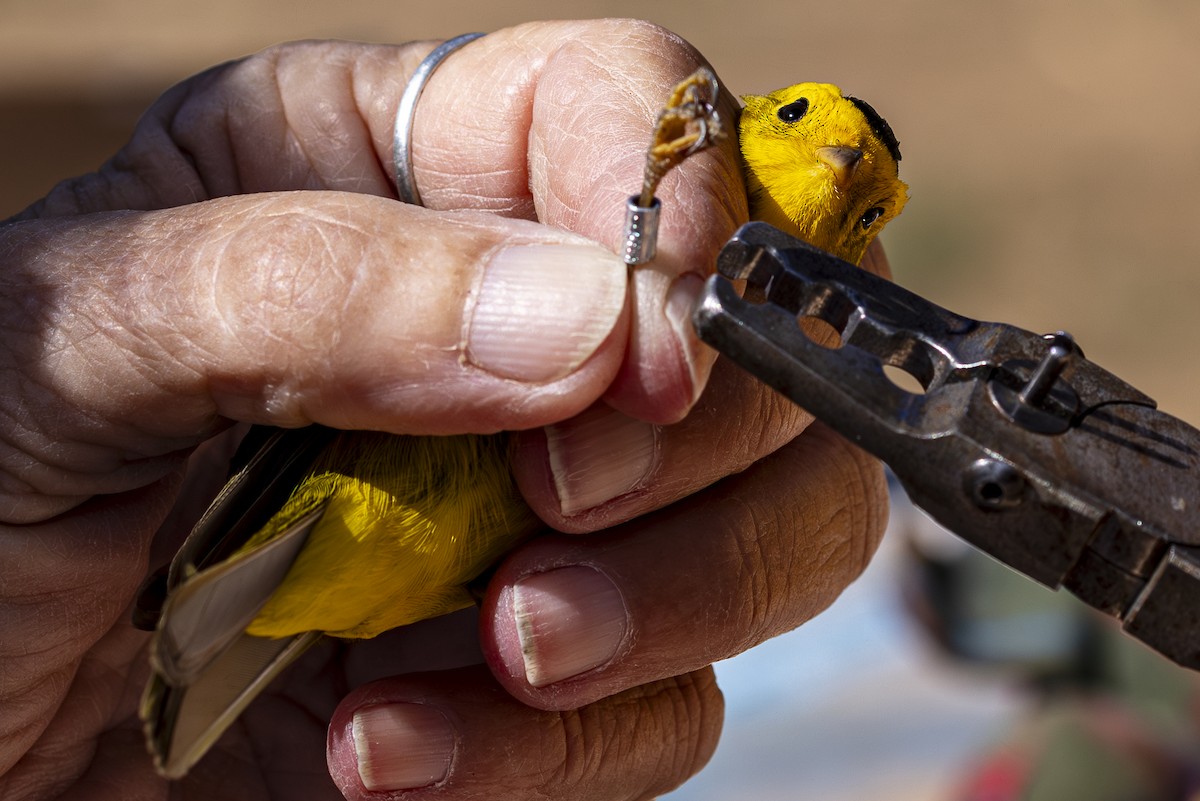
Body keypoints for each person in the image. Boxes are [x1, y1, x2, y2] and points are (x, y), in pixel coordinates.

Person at [0, 19, 889, 800]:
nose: (839, 169)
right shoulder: (643, 179)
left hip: (398, 602)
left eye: (872, 205)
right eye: (801, 119)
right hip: (343, 495)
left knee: (608, 549)